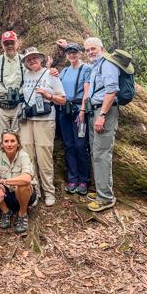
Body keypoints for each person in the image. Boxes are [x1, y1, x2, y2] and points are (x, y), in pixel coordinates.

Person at [79, 48, 134, 213]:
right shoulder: (96, 65)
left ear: (102, 49)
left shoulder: (108, 64)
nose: (90, 52)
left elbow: (111, 90)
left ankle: (106, 198)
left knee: (102, 153)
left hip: (104, 112)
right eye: (87, 50)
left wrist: (102, 115)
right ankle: (101, 191)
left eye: (93, 49)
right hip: (94, 110)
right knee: (96, 152)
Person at [18, 47, 66, 207]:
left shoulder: (51, 74)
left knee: (44, 156)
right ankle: (35, 192)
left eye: (34, 58)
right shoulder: (26, 75)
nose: (32, 61)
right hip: (28, 120)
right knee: (28, 156)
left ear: (41, 59)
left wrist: (48, 95)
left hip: (45, 120)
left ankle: (49, 192)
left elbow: (63, 100)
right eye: (29, 59)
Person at [0, 129, 37, 234]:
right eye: (6, 141)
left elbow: (27, 178)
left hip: (25, 196)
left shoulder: (24, 156)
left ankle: (23, 214)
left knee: (21, 184)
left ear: (18, 143)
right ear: (2, 144)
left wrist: (2, 181)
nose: (9, 144)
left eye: (12, 141)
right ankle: (6, 211)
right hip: (6, 196)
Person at [58, 43, 91, 196]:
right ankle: (73, 179)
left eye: (74, 52)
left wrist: (82, 111)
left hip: (78, 111)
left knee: (80, 145)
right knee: (69, 145)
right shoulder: (64, 71)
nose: (72, 55)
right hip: (64, 112)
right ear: (66, 55)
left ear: (79, 53)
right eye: (69, 52)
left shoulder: (86, 69)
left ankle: (84, 180)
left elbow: (86, 92)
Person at [0, 31, 25, 141]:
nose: (9, 46)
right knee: (2, 140)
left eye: (12, 43)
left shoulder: (25, 61)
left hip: (19, 105)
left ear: (17, 43)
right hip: (0, 107)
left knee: (19, 140)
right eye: (6, 43)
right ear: (2, 45)